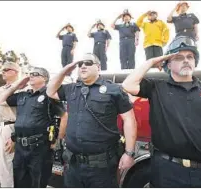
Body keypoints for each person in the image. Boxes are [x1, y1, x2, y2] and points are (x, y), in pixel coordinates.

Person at [122, 36, 201, 187]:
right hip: (167, 172)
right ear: (168, 64)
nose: (186, 60)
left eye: (190, 57)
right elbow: (128, 84)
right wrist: (151, 62)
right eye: (178, 57)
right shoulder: (157, 88)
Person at [47, 53, 137, 187]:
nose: (83, 66)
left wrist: (129, 153)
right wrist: (67, 68)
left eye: (88, 63)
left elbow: (129, 120)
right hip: (73, 164)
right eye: (80, 64)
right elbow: (50, 91)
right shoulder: (71, 89)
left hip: (102, 167)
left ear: (98, 67)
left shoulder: (114, 90)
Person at [0, 67, 68, 188]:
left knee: (38, 182)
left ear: (44, 78)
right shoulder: (23, 95)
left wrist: (58, 140)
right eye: (30, 74)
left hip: (40, 146)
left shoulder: (50, 94)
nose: (31, 76)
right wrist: (17, 85)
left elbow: (64, 116)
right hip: (20, 146)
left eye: (35, 74)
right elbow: (0, 101)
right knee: (19, 181)